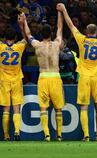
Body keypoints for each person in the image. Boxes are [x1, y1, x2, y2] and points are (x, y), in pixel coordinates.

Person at [58, 3, 97, 141]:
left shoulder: (82, 40)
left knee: (84, 107)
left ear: (86, 32)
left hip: (84, 77)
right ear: (96, 33)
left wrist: (64, 9)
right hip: (96, 77)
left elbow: (71, 25)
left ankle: (86, 135)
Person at [21, 9, 65, 141]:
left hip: (44, 77)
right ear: (51, 34)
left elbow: (28, 34)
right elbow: (60, 27)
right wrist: (59, 13)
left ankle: (47, 134)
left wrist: (24, 21)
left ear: (41, 34)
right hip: (55, 77)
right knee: (58, 109)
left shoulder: (37, 45)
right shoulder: (57, 44)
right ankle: (59, 135)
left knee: (43, 108)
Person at [0, 11, 27, 141]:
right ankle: (17, 132)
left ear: (5, 37)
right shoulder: (19, 46)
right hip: (17, 80)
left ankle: (6, 135)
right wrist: (21, 24)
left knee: (6, 110)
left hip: (4, 80)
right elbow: (26, 38)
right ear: (15, 37)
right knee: (16, 108)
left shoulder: (0, 46)